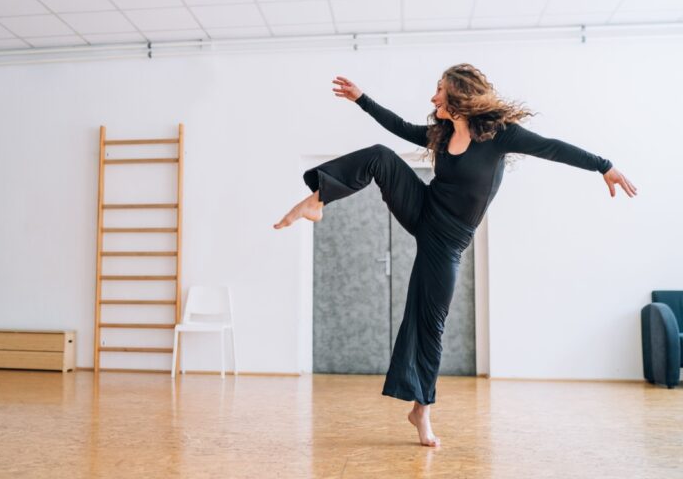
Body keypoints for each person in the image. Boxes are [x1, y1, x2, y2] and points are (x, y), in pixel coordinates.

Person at [273, 64, 637, 447]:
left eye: (440, 91)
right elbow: (397, 126)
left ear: (459, 96)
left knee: (431, 325)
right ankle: (317, 200)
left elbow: (553, 147)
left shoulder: (499, 136)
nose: (433, 98)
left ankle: (420, 411)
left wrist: (604, 166)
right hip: (423, 210)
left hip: (448, 242)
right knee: (380, 155)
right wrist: (361, 99)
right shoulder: (441, 133)